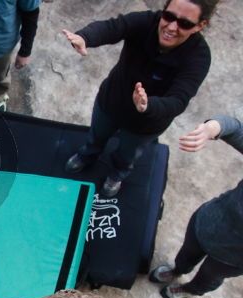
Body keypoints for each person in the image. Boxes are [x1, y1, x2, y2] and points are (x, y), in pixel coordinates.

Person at [62, 0, 214, 197]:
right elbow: (113, 27)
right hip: (111, 101)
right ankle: (88, 155)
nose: (171, 27)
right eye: (168, 16)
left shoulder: (199, 57)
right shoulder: (145, 21)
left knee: (127, 155)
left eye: (185, 24)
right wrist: (85, 37)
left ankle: (117, 174)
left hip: (147, 122)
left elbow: (179, 99)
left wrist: (148, 105)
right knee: (97, 136)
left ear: (200, 25)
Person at [148, 113, 243, 298]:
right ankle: (178, 270)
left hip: (233, 258)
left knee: (209, 276)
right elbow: (235, 128)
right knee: (186, 255)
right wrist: (212, 128)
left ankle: (190, 290)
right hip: (210, 221)